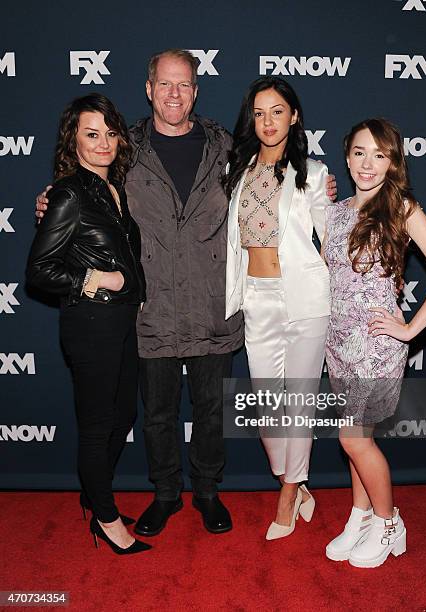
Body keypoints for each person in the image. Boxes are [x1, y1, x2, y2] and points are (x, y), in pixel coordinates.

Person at [36, 50, 337, 537]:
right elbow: (87, 187)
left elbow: (281, 183)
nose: (175, 94)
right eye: (165, 84)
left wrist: (324, 190)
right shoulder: (125, 146)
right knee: (156, 412)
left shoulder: (226, 146)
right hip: (151, 305)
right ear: (150, 89)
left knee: (210, 410)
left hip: (214, 302)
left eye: (185, 85)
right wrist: (52, 199)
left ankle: (208, 492)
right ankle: (165, 493)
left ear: (196, 91)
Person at [323, 118, 426, 567]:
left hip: (375, 347)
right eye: (360, 153)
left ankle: (389, 523)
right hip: (338, 343)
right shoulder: (339, 209)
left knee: (353, 440)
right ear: (347, 157)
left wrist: (408, 330)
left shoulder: (401, 206)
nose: (368, 164)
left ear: (392, 162)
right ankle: (360, 516)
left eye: (379, 155)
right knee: (357, 440)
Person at [27, 94, 150, 555]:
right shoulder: (69, 192)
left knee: (124, 415)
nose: (103, 143)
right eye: (91, 134)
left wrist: (132, 293)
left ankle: (94, 494)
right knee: (99, 424)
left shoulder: (111, 188)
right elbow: (39, 269)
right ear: (72, 141)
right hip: (90, 324)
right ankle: (105, 518)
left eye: (109, 133)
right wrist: (96, 278)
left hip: (119, 322)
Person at [224, 77, 332, 540]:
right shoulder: (238, 169)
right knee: (269, 408)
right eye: (260, 112)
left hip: (306, 302)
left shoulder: (313, 173)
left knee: (300, 404)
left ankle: (289, 491)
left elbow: (332, 241)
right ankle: (296, 480)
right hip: (257, 297)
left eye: (277, 111)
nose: (268, 121)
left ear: (295, 116)